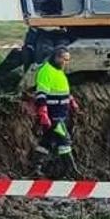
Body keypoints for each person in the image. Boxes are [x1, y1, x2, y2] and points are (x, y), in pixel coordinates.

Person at [29, 47, 80, 177]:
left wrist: (72, 101)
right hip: (54, 114)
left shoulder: (59, 71)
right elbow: (41, 95)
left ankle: (36, 167)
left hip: (61, 113)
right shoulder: (46, 71)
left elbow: (63, 90)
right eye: (64, 59)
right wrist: (43, 113)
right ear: (56, 58)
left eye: (67, 60)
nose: (65, 62)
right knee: (65, 141)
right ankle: (71, 170)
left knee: (46, 142)